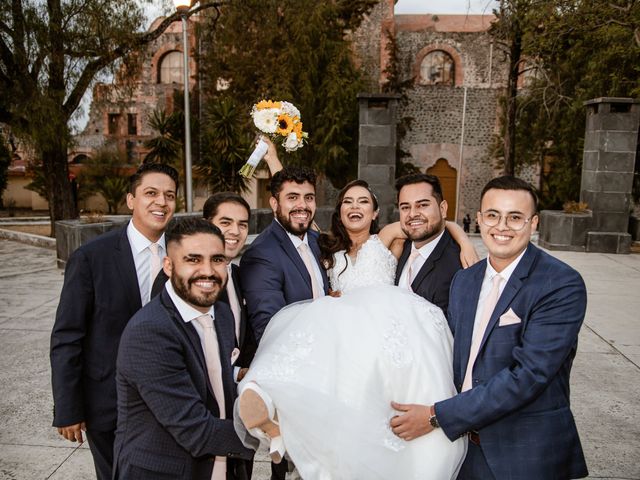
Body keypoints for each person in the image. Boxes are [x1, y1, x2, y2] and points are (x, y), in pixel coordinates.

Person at [237, 180, 467, 480]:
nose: (355, 206)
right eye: (348, 201)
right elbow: (297, 204)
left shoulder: (386, 237)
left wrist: (464, 240)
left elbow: (430, 222)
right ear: (339, 210)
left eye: (363, 202)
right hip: (348, 339)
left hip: (386, 329)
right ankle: (273, 406)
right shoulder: (327, 245)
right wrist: (273, 157)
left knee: (379, 410)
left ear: (374, 213)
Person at [390, 176, 588, 479]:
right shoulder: (465, 280)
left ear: (533, 223)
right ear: (480, 219)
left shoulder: (559, 283)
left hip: (525, 453)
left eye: (515, 217)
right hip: (464, 449)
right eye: (493, 215)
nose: (502, 226)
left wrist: (434, 415)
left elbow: (529, 375)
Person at [50, 162, 178, 480]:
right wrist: (68, 408)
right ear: (130, 199)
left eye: (170, 195)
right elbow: (67, 336)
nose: (161, 202)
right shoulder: (91, 257)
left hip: (169, 400)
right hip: (108, 405)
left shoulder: (182, 254)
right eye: (151, 193)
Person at [113, 217, 254, 479]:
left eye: (217, 259)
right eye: (193, 260)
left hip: (222, 466)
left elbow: (217, 389)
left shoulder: (222, 314)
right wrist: (278, 432)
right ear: (168, 265)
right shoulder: (150, 332)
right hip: (166, 471)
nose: (208, 271)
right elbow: (195, 431)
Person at [152, 192, 258, 382]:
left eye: (242, 224)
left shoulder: (240, 275)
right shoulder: (177, 278)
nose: (235, 231)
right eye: (226, 222)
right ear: (207, 223)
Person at [394, 173, 469, 317]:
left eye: (422, 205)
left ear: (443, 209)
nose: (412, 214)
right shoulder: (397, 246)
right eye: (405, 207)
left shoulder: (460, 267)